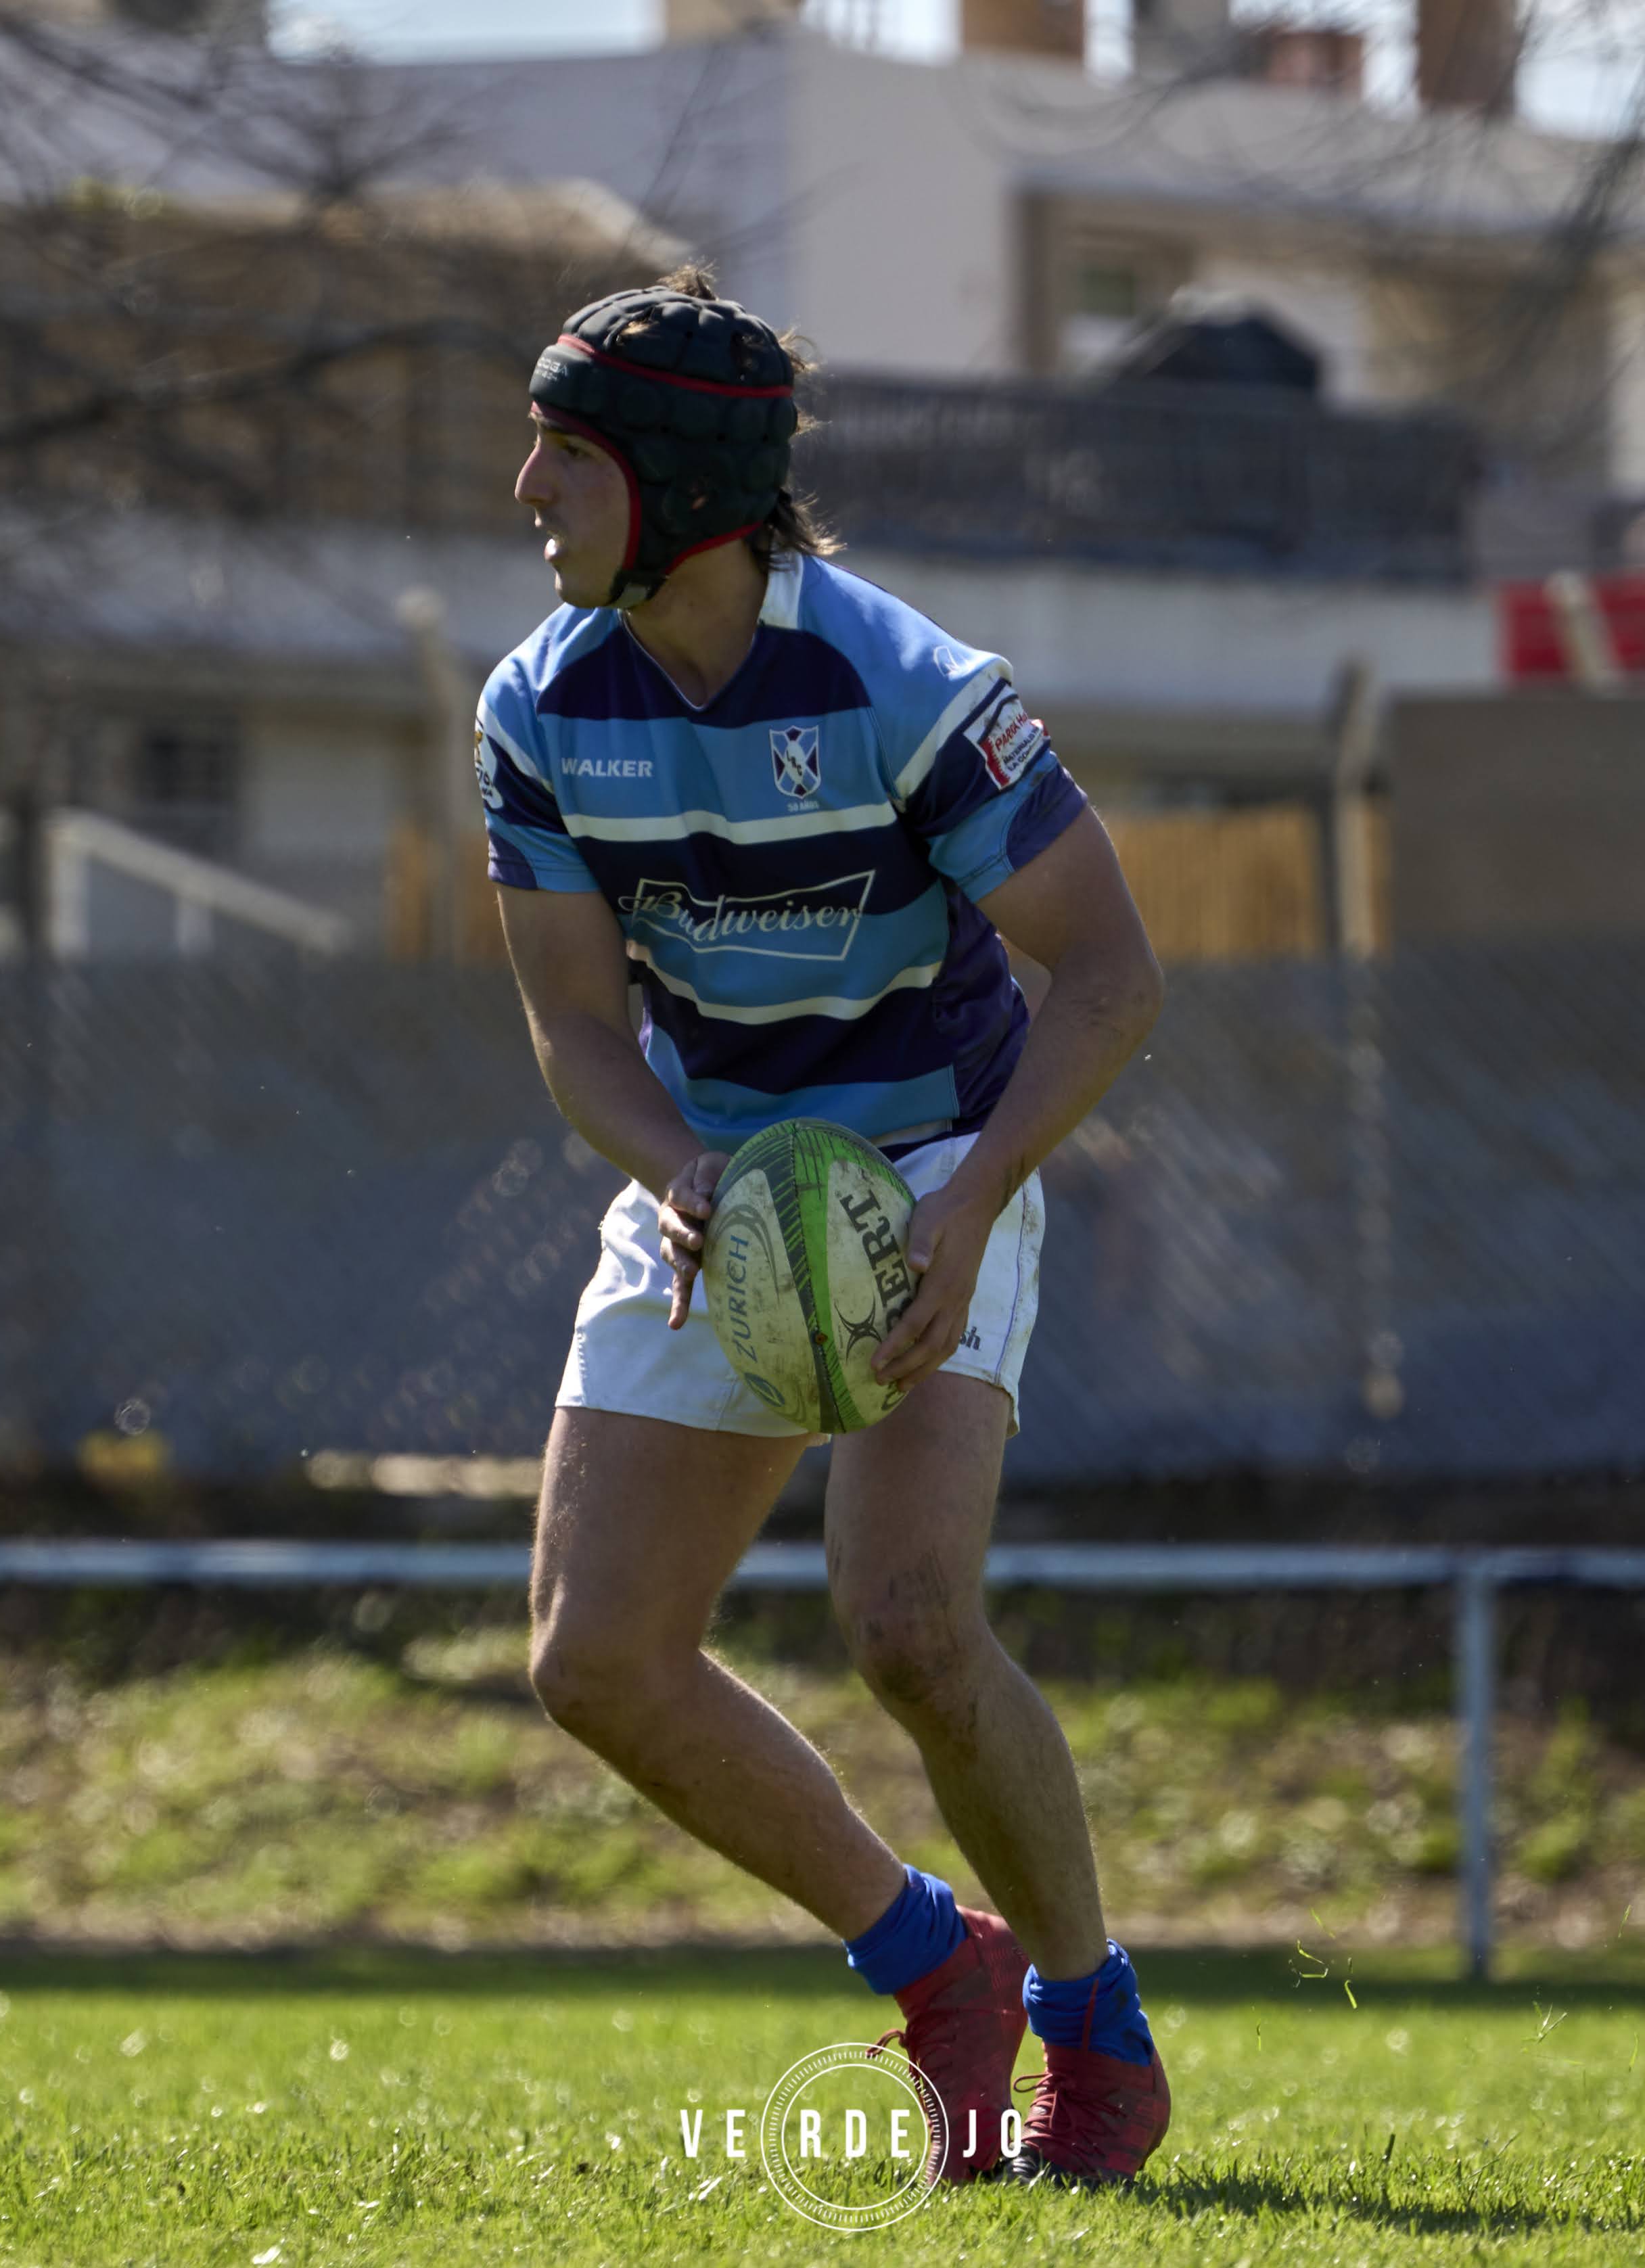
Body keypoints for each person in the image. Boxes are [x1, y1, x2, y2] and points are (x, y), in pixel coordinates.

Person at [482, 269, 1172, 2188]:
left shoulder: (903, 687)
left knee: (906, 1626)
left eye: (564, 448)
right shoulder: (540, 706)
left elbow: (1108, 979)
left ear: (683, 481)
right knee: (592, 1659)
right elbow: (568, 1025)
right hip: (710, 1178)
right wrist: (674, 1171)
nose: (521, 482)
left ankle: (1090, 2025)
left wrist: (967, 1213)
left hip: (940, 1157)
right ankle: (925, 1955)